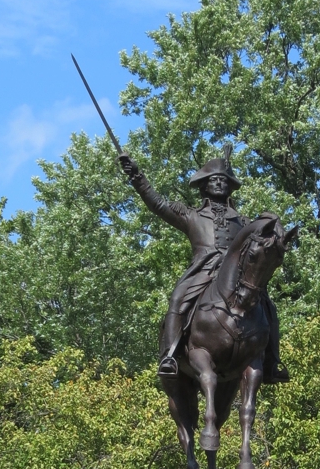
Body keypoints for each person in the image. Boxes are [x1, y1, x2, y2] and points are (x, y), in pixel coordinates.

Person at [117, 148, 290, 381]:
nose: (219, 184)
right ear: (203, 185)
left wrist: (274, 218)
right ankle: (170, 355)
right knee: (178, 298)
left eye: (223, 180)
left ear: (230, 186)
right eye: (214, 180)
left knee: (268, 307)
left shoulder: (243, 220)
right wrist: (137, 176)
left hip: (237, 275)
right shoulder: (191, 216)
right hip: (204, 270)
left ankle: (272, 362)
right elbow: (157, 204)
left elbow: (267, 230)